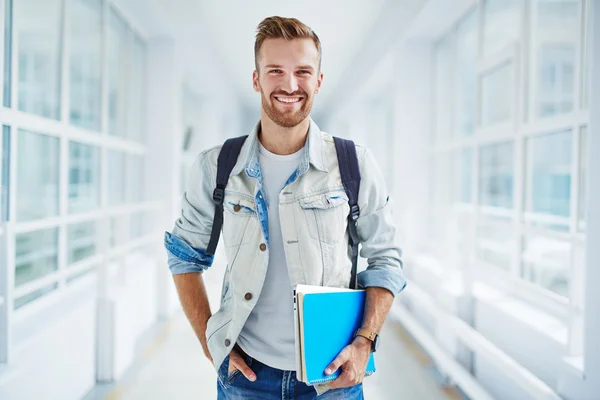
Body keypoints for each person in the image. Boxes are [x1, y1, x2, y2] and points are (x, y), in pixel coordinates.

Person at [164, 15, 406, 400]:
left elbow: (386, 260)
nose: (290, 85)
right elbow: (183, 257)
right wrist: (210, 342)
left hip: (332, 377)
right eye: (275, 70)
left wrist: (365, 342)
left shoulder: (354, 164)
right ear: (256, 78)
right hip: (246, 379)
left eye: (303, 71)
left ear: (319, 80)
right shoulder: (217, 166)